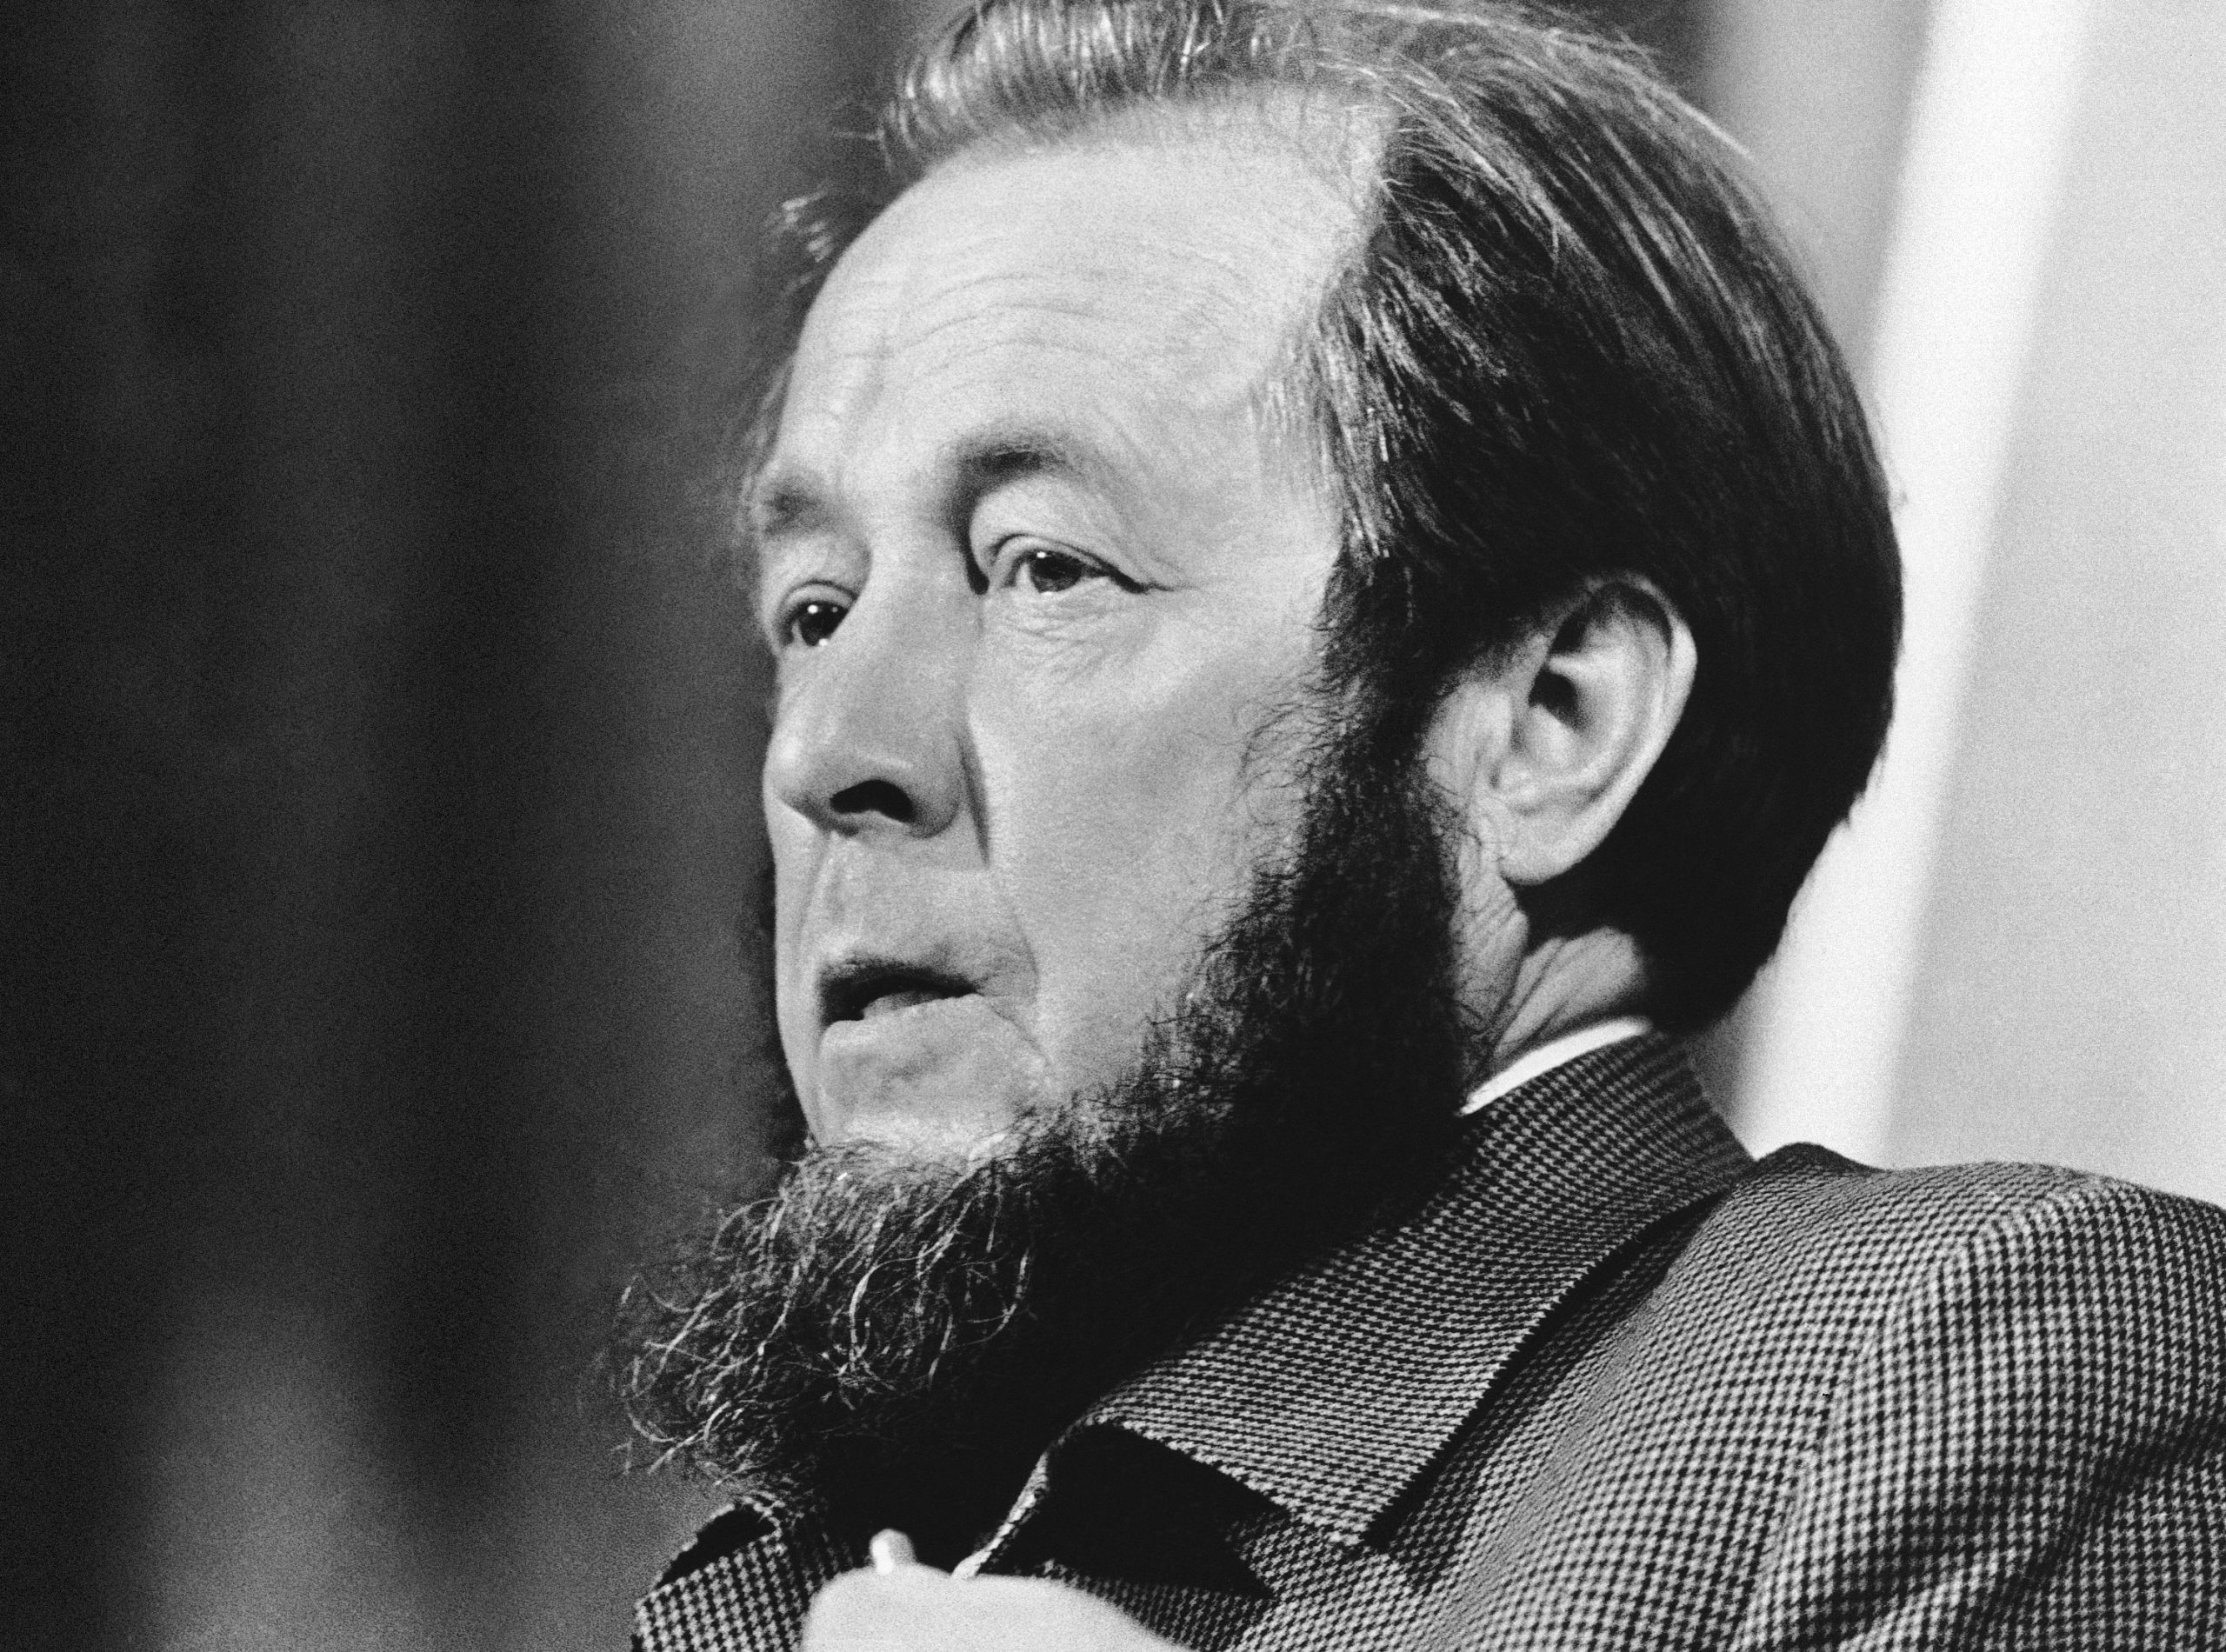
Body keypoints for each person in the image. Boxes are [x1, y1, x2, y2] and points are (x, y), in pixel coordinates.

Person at [618, 3, 2226, 1648]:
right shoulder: (789, 1575)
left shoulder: (1965, 1371)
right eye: (814, 609)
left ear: (1551, 726)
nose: (826, 749)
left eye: (1048, 569)